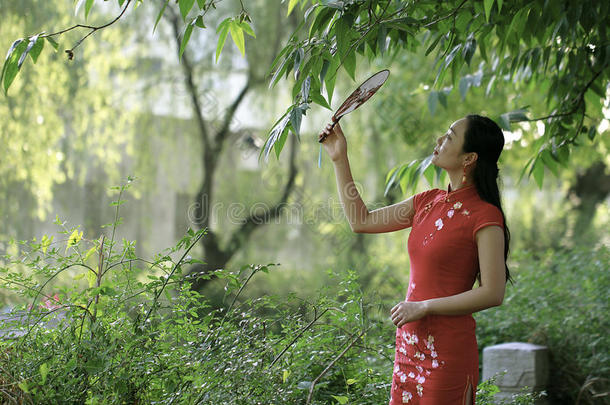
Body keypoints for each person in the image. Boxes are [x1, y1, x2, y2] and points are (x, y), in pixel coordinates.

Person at [318, 115, 511, 405]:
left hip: (447, 354)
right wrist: (339, 158)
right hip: (409, 346)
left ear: (469, 158)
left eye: (448, 136)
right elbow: (361, 220)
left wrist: (424, 306)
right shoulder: (426, 201)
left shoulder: (485, 216)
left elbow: (493, 293)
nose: (438, 141)